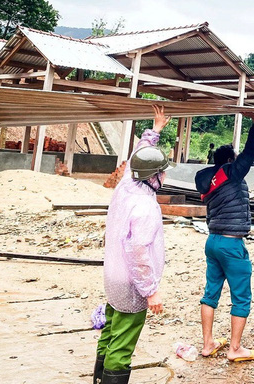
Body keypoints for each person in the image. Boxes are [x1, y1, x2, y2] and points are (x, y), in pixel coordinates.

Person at [94, 105, 174, 384]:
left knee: (111, 329)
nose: (164, 176)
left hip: (112, 275)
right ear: (154, 176)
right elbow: (138, 253)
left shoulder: (127, 185)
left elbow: (135, 159)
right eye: (162, 172)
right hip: (131, 283)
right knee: (124, 341)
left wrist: (155, 130)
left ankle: (98, 377)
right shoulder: (146, 207)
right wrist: (151, 291)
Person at [194, 112, 254, 362]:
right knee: (241, 297)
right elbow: (250, 151)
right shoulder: (232, 173)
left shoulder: (205, 179)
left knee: (210, 293)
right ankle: (235, 349)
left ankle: (207, 343)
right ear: (229, 160)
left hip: (212, 241)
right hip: (231, 243)